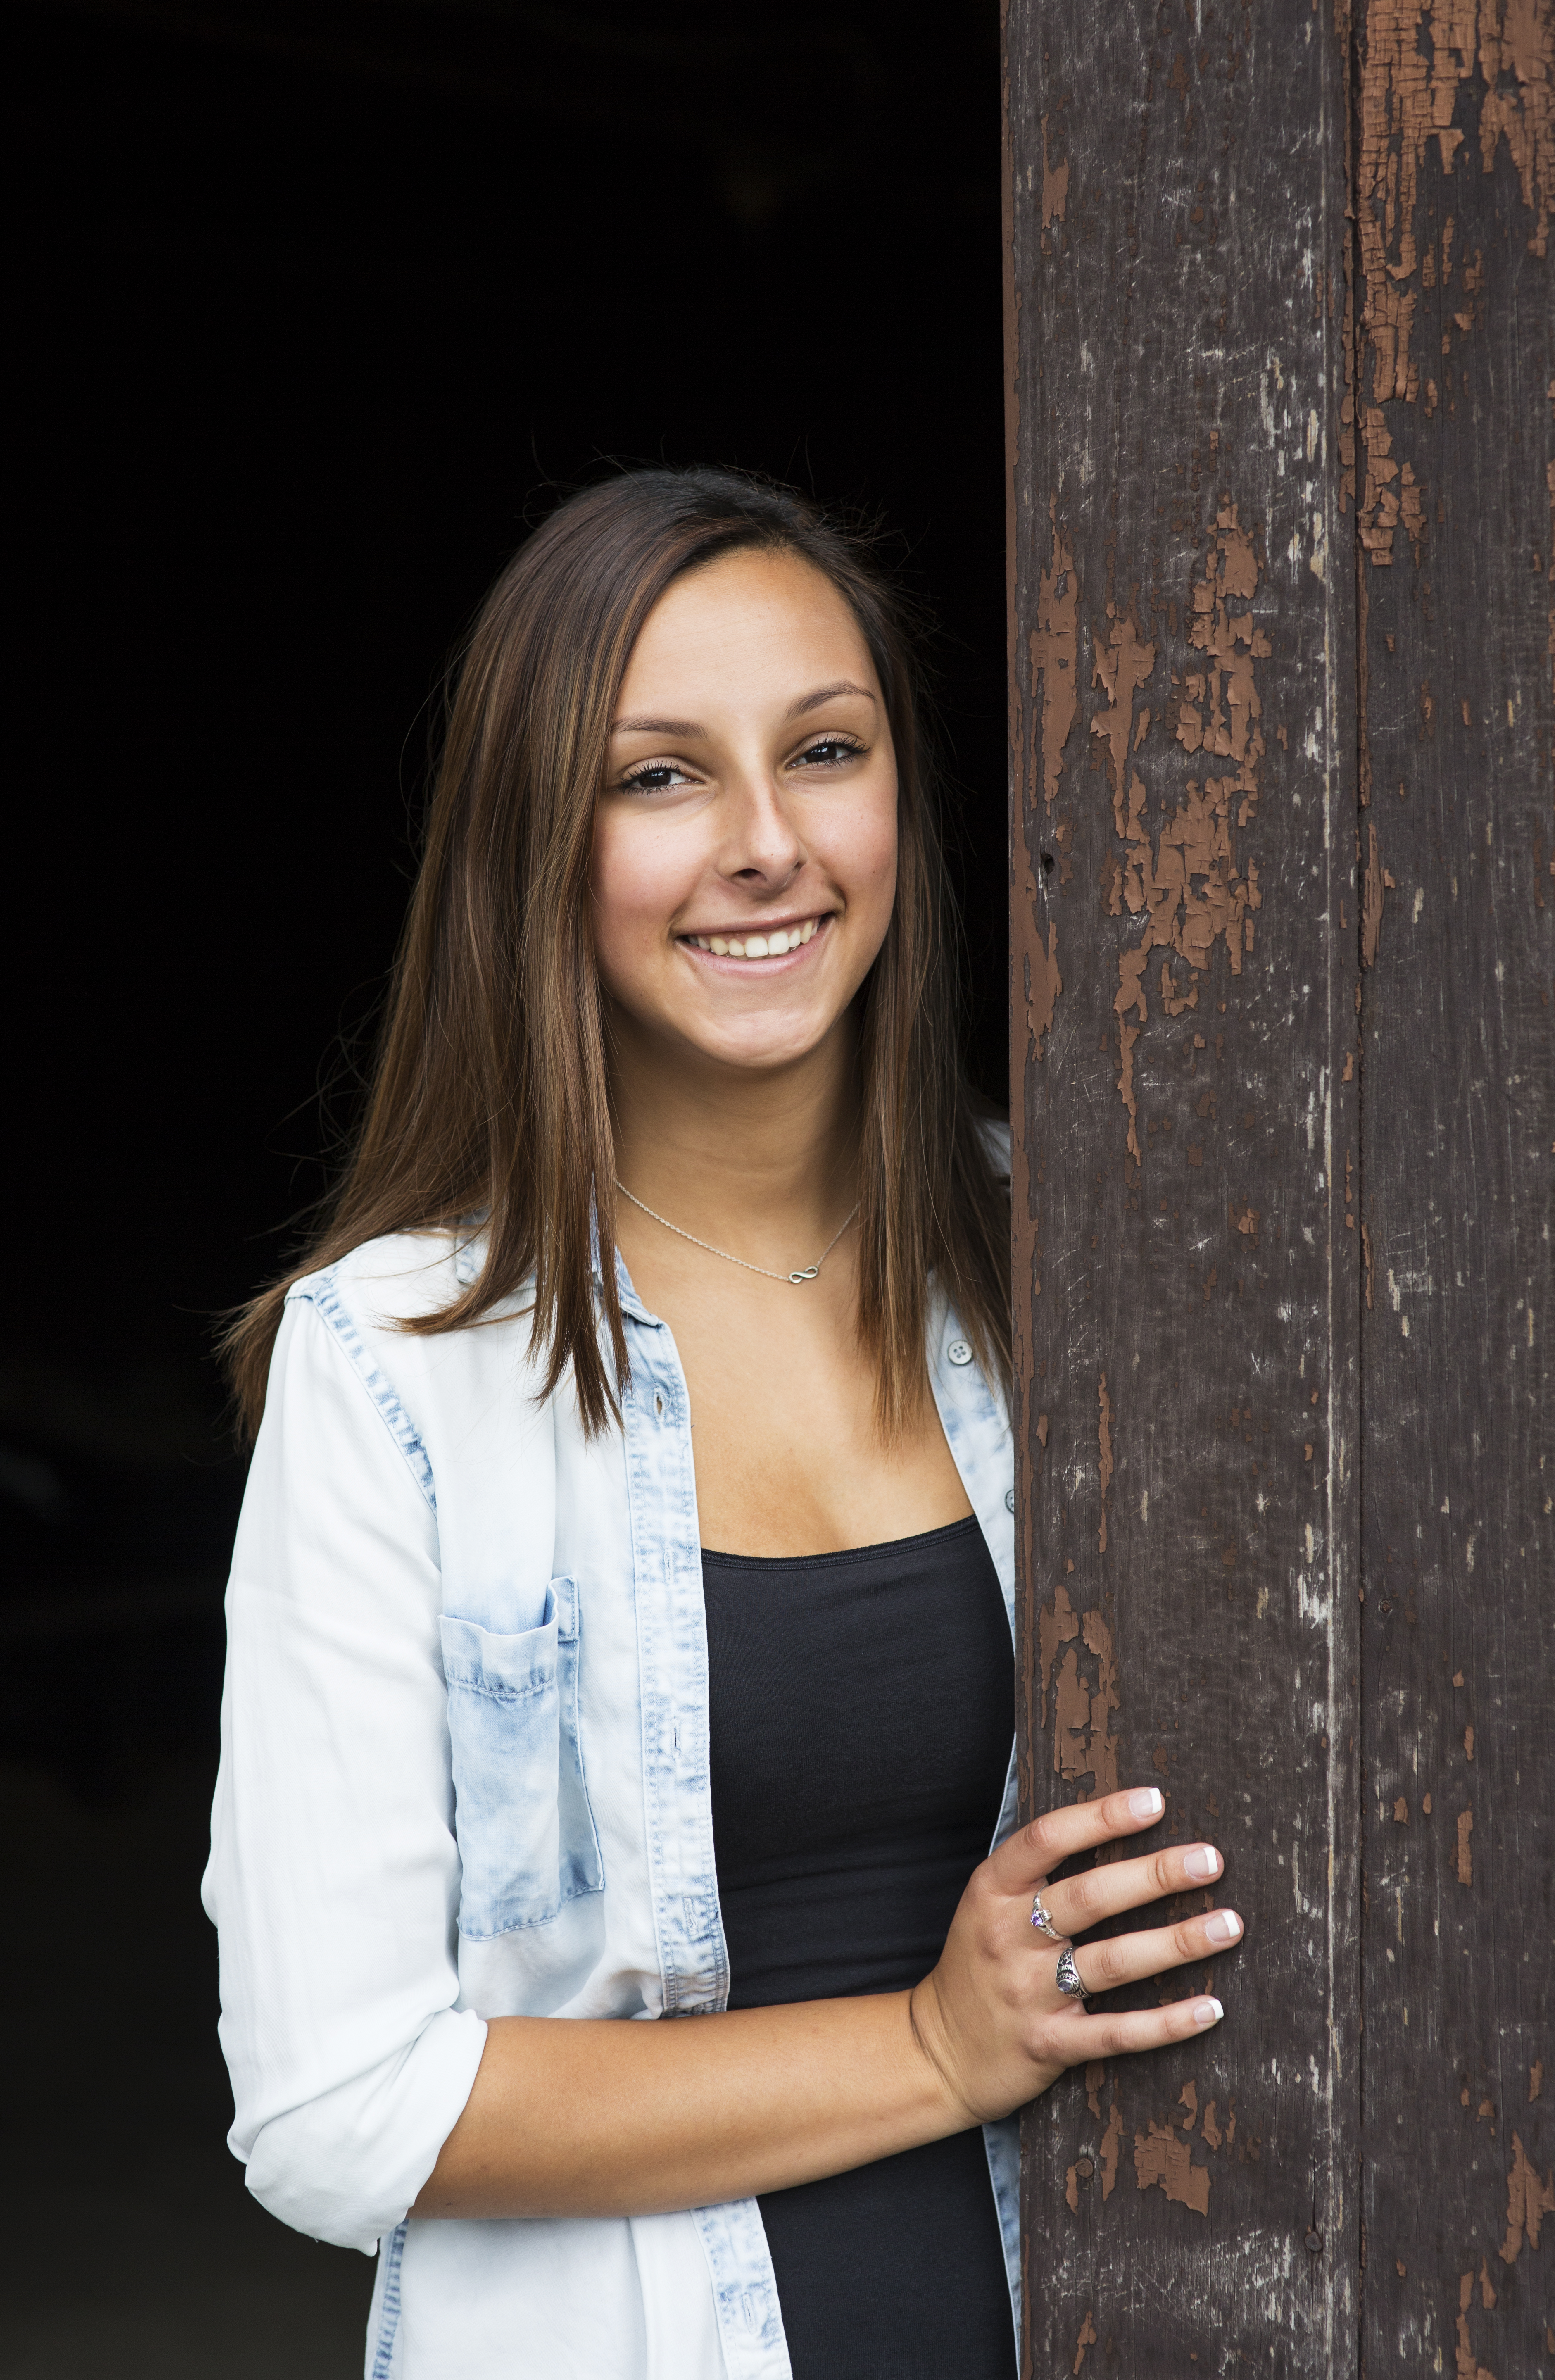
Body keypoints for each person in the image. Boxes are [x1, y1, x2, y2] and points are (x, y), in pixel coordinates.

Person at [204, 468, 1241, 2380]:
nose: (765, 841)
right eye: (661, 777)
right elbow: (337, 2107)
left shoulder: (1092, 1277)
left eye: (824, 750)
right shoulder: (398, 1373)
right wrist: (936, 2043)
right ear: (539, 842)